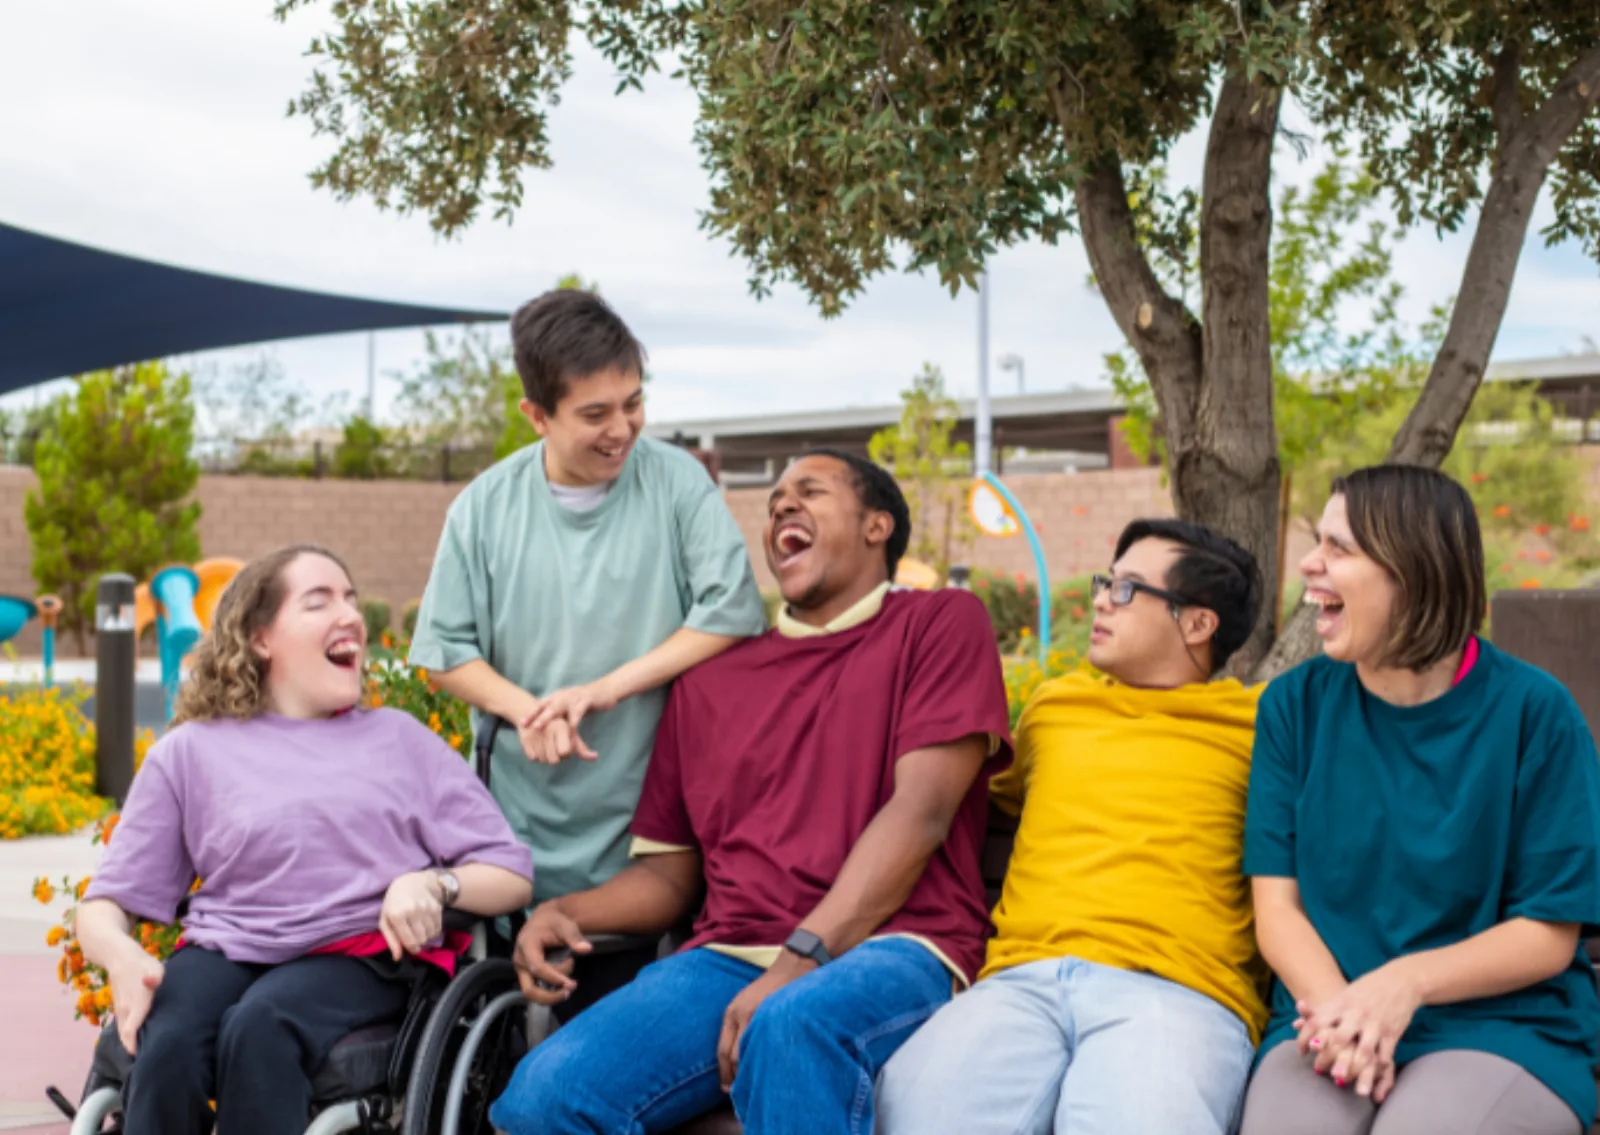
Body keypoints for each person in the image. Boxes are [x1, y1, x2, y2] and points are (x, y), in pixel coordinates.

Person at [485, 448, 1012, 1135]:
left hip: (895, 945)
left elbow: (922, 815)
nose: (782, 507)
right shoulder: (709, 682)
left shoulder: (939, 623)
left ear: (878, 525)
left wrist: (796, 964)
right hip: (727, 960)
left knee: (790, 1026)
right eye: (773, 503)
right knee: (542, 1098)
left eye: (811, 492)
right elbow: (671, 879)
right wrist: (566, 910)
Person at [75, 544, 534, 1135]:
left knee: (262, 1027)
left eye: (350, 598)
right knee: (167, 1044)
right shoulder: (191, 752)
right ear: (261, 637)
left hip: (360, 955)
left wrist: (434, 883)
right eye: (319, 602)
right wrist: (120, 955)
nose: (350, 615)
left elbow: (511, 872)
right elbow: (104, 904)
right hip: (229, 948)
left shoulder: (399, 742)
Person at [408, 288, 768, 1014]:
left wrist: (603, 690)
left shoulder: (675, 484)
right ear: (536, 415)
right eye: (595, 414)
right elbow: (443, 651)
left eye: (633, 403)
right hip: (518, 829)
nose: (623, 429)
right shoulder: (484, 506)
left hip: (646, 833)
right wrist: (527, 710)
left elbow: (731, 612)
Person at [876, 518, 1270, 1134]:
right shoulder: (1054, 708)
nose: (1099, 601)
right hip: (1019, 983)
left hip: (1175, 989)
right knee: (916, 1110)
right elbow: (962, 805)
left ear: (1198, 623)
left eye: (1126, 590)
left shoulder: (1261, 726)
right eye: (1104, 583)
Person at [1238, 465, 1600, 1135]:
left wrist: (1402, 984)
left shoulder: (1535, 713)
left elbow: (1548, 933)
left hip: (1499, 1027)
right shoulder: (1294, 708)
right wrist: (1347, 1016)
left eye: (1339, 547)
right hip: (1327, 1014)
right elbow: (1278, 910)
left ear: (1412, 568)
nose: (1311, 564)